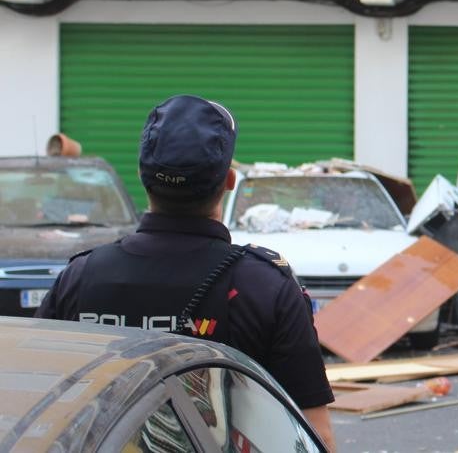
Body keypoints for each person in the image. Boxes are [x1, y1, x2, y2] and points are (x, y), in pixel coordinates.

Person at [36, 95, 337, 451]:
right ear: (229, 180)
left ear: (140, 175)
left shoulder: (80, 277)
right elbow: (315, 437)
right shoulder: (266, 286)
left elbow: (37, 410)